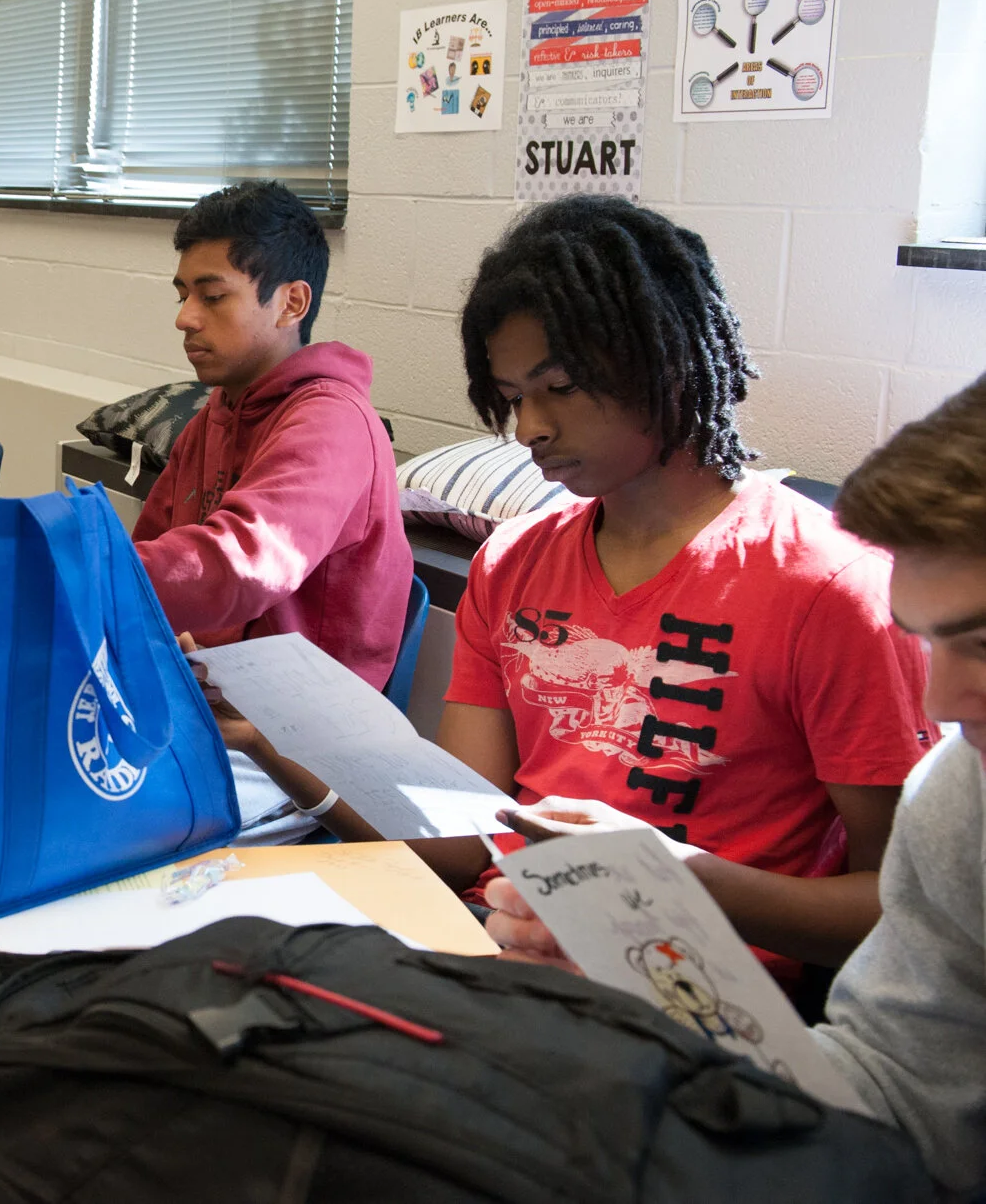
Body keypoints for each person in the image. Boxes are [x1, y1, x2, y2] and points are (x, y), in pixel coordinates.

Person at [218, 197, 930, 972]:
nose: (529, 429)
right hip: (503, 948)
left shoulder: (830, 583)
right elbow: (471, 843)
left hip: (691, 997)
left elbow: (898, 911)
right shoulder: (513, 563)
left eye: (557, 387)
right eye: (515, 397)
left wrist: (670, 877)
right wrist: (281, 754)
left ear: (663, 358)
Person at [484, 372, 986, 1198]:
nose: (941, 704)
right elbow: (892, 1085)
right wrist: (652, 998)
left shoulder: (816, 587)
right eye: (934, 644)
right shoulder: (960, 790)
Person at [134, 180, 412, 690]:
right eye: (183, 295)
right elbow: (144, 555)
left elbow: (247, 563)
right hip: (207, 694)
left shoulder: (333, 421)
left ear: (292, 303)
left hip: (299, 730)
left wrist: (71, 563)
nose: (184, 318)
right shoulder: (211, 419)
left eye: (212, 296)